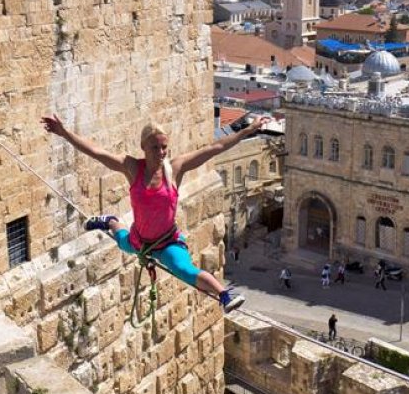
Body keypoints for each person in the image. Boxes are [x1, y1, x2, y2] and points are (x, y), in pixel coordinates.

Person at [41, 115, 269, 311]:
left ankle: (224, 294)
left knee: (184, 269)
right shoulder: (131, 167)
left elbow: (214, 149)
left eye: (164, 147)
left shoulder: (175, 168)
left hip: (167, 242)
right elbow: (96, 152)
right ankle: (110, 221)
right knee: (122, 240)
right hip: (139, 239)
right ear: (143, 147)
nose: (160, 152)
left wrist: (248, 130)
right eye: (154, 147)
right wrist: (64, 133)